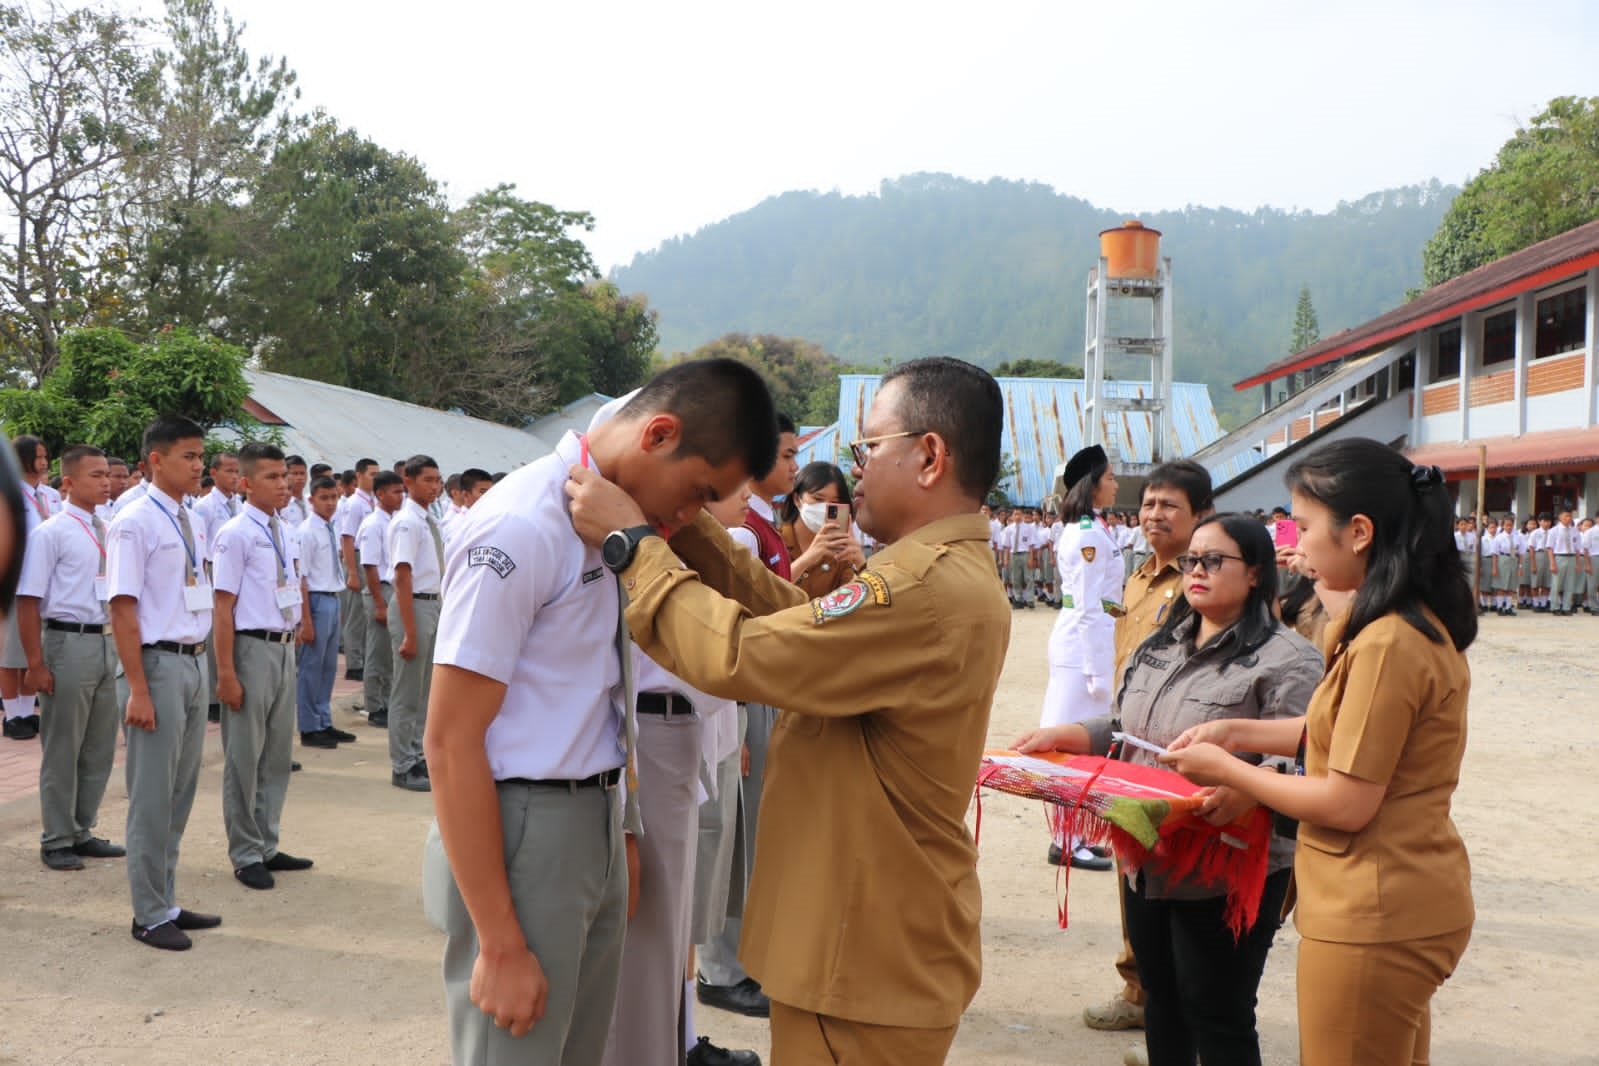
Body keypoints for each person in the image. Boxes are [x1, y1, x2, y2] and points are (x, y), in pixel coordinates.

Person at [565, 355, 1011, 1065]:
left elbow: (742, 655)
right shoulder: (924, 574)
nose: (855, 467)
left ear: (929, 456)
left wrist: (635, 547)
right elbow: (792, 621)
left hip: (864, 957)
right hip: (862, 944)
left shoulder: (922, 590)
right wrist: (687, 529)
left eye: (869, 447)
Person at [421, 358, 775, 1066]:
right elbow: (451, 740)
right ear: (659, 434)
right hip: (524, 831)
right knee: (515, 1050)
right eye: (698, 493)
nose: (688, 518)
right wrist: (499, 940)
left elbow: (601, 691)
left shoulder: (604, 524)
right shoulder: (524, 524)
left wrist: (624, 824)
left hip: (596, 821)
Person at [1160, 438, 1476, 1066]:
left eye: (1303, 526)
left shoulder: (1388, 641)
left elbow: (1347, 799)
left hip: (1374, 906)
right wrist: (1241, 734)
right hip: (1398, 896)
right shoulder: (1396, 623)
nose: (1294, 544)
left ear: (1358, 532)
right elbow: (1341, 732)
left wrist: (1230, 773)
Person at [1017, 513, 1322, 1066]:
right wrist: (1067, 734)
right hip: (1147, 848)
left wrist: (1251, 791)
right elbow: (1126, 727)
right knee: (1163, 1000)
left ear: (1255, 573)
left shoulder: (1289, 660)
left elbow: (1307, 759)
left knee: (1218, 1011)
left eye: (1213, 561)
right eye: (1191, 562)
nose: (1196, 571)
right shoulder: (1162, 643)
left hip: (1226, 862)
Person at [1082, 459, 1213, 1052]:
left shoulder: (1202, 583)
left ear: (1201, 517)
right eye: (1150, 504)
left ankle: (1169, 999)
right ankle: (1140, 990)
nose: (1154, 515)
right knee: (1131, 871)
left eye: (1170, 506)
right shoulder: (1139, 578)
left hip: (1173, 749)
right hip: (1127, 744)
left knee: (1175, 878)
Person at [696, 412, 800, 1020]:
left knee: (740, 835)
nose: (787, 466)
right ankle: (721, 966)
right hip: (730, 698)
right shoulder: (739, 533)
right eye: (782, 455)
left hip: (747, 693)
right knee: (725, 833)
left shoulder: (758, 525)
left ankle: (732, 961)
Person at [106, 414, 224, 951]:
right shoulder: (134, 520)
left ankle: (166, 899)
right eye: (189, 457)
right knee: (151, 796)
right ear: (156, 460)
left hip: (193, 659)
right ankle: (147, 913)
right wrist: (138, 688)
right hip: (155, 663)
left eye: (202, 456)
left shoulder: (192, 518)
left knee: (179, 790)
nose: (199, 466)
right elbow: (124, 610)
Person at [15, 445, 123, 871]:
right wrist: (35, 664)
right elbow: (28, 601)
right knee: (63, 746)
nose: (105, 481)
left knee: (98, 745)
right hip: (67, 641)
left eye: (107, 475)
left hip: (106, 640)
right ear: (69, 483)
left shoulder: (108, 527)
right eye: (95, 475)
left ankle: (83, 829)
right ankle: (56, 837)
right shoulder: (51, 532)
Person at [211, 442, 313, 892]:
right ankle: (245, 851)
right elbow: (222, 606)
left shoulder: (285, 529)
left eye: (285, 475)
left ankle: (268, 841)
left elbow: (292, 584)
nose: (283, 484)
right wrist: (226, 672)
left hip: (283, 647)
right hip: (251, 648)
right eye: (271, 477)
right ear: (246, 483)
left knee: (275, 754)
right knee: (244, 755)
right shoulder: (235, 533)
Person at [1040, 444, 1122, 871]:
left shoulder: (1091, 527)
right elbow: (1091, 606)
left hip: (1085, 638)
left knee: (1083, 748)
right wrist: (1096, 671)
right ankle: (1066, 840)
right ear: (1093, 484)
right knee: (1076, 746)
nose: (1115, 484)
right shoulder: (1088, 533)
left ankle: (1075, 835)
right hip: (1083, 646)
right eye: (1109, 478)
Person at [386, 455, 445, 793]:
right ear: (407, 482)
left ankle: (416, 754)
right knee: (407, 692)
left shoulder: (427, 519)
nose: (435, 486)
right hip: (414, 607)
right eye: (427, 480)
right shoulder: (408, 522)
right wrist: (409, 631)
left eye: (437, 480)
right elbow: (402, 577)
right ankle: (402, 764)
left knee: (423, 691)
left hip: (431, 605)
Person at [1, 434, 55, 740]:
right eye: (38, 456)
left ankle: (25, 711)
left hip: (40, 584)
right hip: (15, 582)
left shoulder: (46, 495)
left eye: (46, 455)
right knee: (10, 657)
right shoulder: (11, 494)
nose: (44, 461)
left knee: (27, 653)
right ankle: (11, 716)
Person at [297, 475, 351, 748]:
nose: (330, 503)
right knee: (311, 666)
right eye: (324, 498)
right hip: (316, 600)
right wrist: (305, 619)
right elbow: (302, 578)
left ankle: (324, 719)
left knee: (328, 666)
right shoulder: (307, 531)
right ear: (312, 500)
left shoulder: (330, 527)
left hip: (332, 596)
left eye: (334, 498)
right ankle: (308, 725)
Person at [777, 461, 865, 598]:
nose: (825, 507)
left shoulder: (839, 552)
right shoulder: (775, 541)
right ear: (797, 499)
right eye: (818, 499)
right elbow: (767, 590)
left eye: (834, 502)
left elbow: (853, 600)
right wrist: (808, 558)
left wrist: (860, 564)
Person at [359, 471, 403, 739]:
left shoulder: (394, 520)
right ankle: (374, 705)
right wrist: (378, 604)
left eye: (402, 491)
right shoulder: (373, 524)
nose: (400, 496)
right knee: (377, 651)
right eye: (395, 492)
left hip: (393, 588)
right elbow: (370, 566)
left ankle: (385, 701)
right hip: (381, 590)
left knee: (390, 652)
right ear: (380, 494)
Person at [338, 458, 379, 682]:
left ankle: (362, 657)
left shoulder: (372, 502)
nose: (375, 478)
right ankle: (354, 663)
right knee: (355, 613)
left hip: (370, 557)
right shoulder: (354, 503)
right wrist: (352, 572)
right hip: (357, 556)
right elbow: (347, 537)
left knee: (367, 613)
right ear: (359, 476)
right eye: (372, 474)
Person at [1548, 509, 1578, 615]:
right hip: (1559, 557)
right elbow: (1550, 548)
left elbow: (1577, 547)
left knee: (1570, 584)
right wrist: (1552, 563)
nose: (1569, 518)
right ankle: (1555, 607)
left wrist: (1577, 563)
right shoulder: (1554, 530)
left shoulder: (1574, 530)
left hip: (1572, 557)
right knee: (1557, 584)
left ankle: (1566, 607)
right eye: (1566, 516)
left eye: (1570, 516)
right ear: (1560, 517)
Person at [281, 455, 309, 527]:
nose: (300, 478)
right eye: (295, 473)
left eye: (302, 473)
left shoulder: (311, 502)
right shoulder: (281, 505)